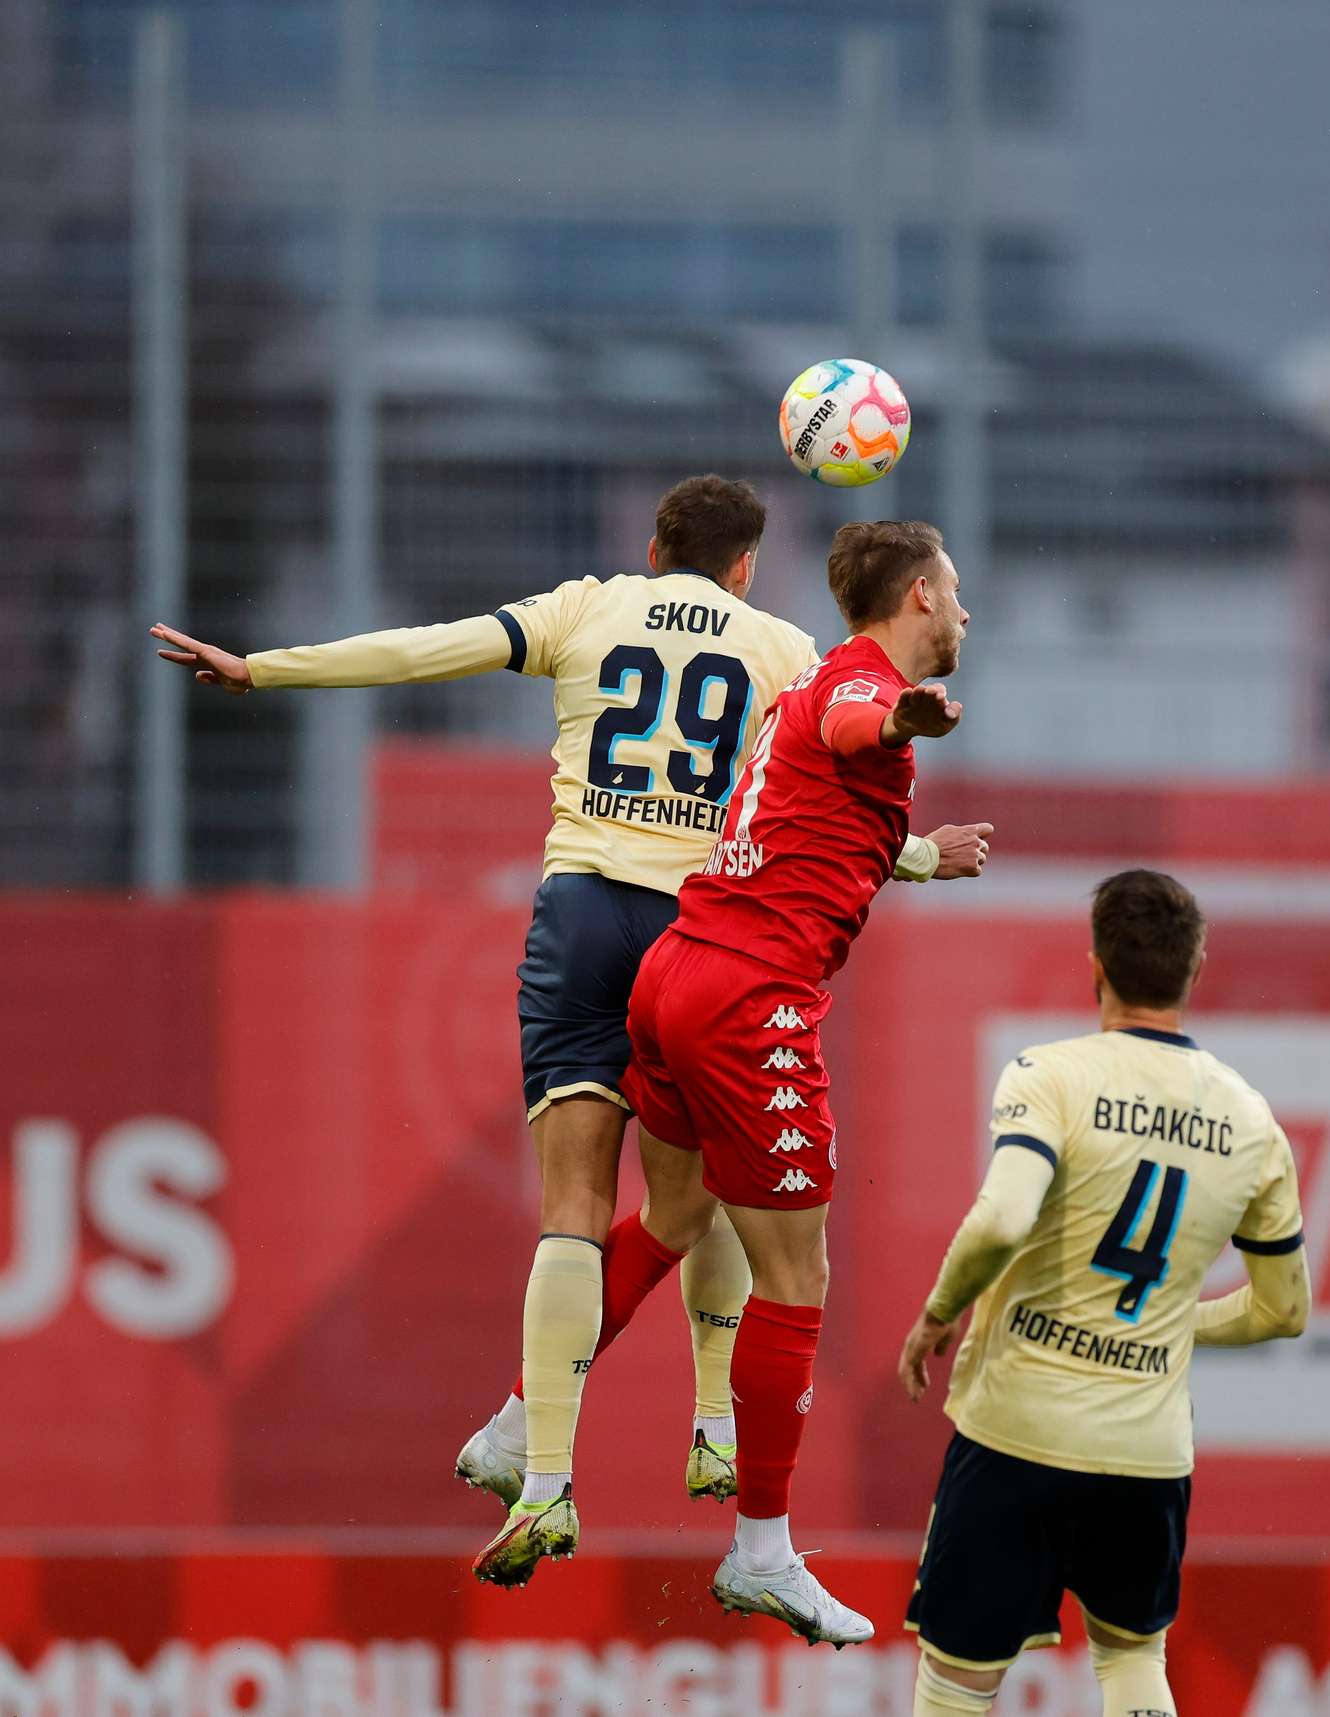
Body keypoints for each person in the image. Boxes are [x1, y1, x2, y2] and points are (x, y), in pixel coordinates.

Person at [149, 475, 992, 1591]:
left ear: (653, 547)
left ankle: (543, 1474)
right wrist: (922, 853)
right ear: (746, 566)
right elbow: (804, 791)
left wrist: (264, 668)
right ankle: (713, 1423)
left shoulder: (586, 607)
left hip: (583, 914)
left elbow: (428, 651)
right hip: (698, 927)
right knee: (714, 1187)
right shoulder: (784, 649)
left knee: (574, 1211)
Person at [618, 518, 971, 1648]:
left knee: (673, 1216)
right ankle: (762, 1553)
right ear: (920, 595)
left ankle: (527, 1422)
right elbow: (859, 722)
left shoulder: (809, 682)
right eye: (956, 592)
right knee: (798, 1275)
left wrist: (923, 851)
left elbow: (811, 799)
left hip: (677, 968)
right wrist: (903, 720)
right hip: (749, 1000)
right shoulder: (859, 687)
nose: (966, 613)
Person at [897, 868, 1311, 1717]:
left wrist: (939, 1309)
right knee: (1131, 1656)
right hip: (1146, 1451)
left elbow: (1001, 1220)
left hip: (1017, 1431)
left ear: (1095, 966)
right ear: (1195, 969)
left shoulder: (1049, 1076)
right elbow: (1284, 1309)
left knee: (957, 1679)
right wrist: (1170, 1325)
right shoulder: (1250, 1120)